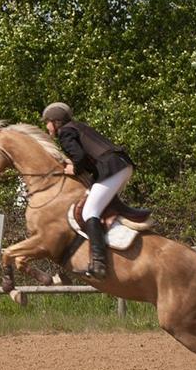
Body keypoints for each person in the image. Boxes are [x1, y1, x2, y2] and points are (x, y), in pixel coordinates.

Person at [42, 102, 133, 279]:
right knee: (97, 205)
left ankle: (99, 262)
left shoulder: (64, 132)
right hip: (120, 165)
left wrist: (73, 169)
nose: (46, 127)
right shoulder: (77, 126)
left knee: (89, 211)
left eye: (47, 122)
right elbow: (86, 156)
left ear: (55, 122)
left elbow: (80, 158)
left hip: (112, 169)